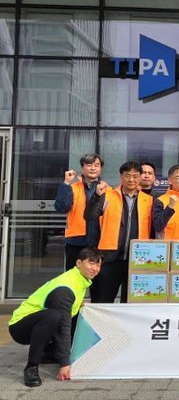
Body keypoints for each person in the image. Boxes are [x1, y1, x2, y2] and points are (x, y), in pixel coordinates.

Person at [8, 248, 103, 387]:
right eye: (91, 263)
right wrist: (65, 364)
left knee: (71, 314)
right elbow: (63, 326)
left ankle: (48, 353)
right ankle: (31, 367)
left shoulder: (79, 279)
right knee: (54, 316)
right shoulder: (66, 287)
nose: (95, 268)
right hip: (19, 326)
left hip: (39, 324)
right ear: (78, 263)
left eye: (98, 265)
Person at [84, 161, 153, 303]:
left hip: (137, 260)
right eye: (128, 175)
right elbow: (89, 216)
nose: (131, 179)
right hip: (110, 259)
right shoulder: (108, 195)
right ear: (121, 177)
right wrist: (96, 196)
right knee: (104, 300)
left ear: (140, 178)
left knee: (130, 302)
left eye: (135, 176)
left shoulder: (149, 200)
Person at [54, 153, 104, 270]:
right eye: (89, 165)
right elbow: (61, 207)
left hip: (100, 242)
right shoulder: (72, 188)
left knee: (97, 279)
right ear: (82, 168)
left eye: (96, 165)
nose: (92, 168)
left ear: (100, 168)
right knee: (74, 276)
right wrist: (66, 183)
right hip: (76, 242)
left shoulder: (107, 189)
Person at [152, 165, 179, 240]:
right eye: (178, 178)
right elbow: (157, 226)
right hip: (168, 245)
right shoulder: (160, 200)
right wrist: (169, 207)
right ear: (170, 180)